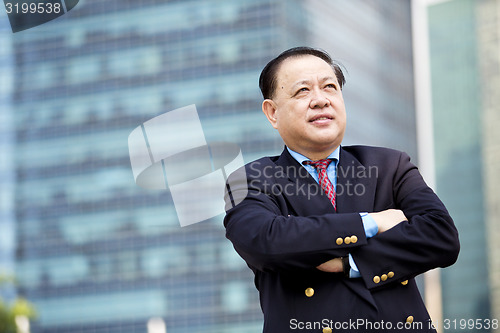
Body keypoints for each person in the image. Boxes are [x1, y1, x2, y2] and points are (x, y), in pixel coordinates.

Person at [223, 47, 459, 333]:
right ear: (272, 113)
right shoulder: (250, 179)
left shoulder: (389, 165)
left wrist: (349, 262)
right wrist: (373, 222)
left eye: (329, 87)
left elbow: (441, 237)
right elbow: (265, 242)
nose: (320, 100)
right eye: (302, 91)